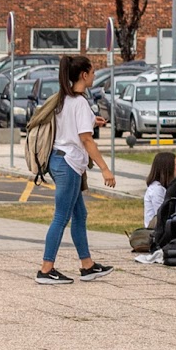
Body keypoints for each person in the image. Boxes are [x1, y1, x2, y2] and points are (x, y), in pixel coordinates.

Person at [36, 54, 116, 284]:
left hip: (59, 160)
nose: (94, 76)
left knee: (79, 215)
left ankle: (87, 265)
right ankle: (46, 269)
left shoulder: (64, 98)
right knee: (61, 216)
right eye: (92, 72)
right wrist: (104, 169)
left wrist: (92, 120)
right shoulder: (79, 102)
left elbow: (70, 126)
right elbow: (86, 140)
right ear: (84, 75)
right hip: (68, 164)